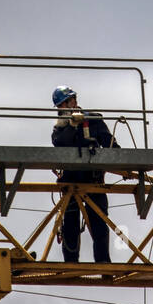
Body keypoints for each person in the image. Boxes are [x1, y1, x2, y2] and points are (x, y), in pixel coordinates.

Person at [50, 85, 117, 263]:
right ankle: (70, 264)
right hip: (71, 181)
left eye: (68, 102)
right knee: (70, 226)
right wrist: (72, 125)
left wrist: (120, 159)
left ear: (73, 101)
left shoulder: (93, 119)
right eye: (62, 106)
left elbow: (110, 145)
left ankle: (103, 263)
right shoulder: (60, 128)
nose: (65, 107)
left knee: (99, 224)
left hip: (93, 180)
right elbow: (59, 143)